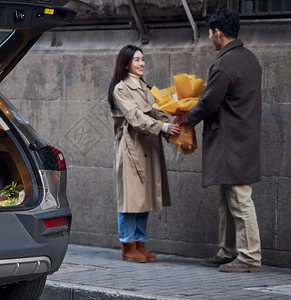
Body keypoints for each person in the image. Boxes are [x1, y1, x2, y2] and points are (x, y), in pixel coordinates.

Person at [176, 10, 262, 272]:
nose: (209, 39)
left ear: (218, 33)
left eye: (209, 34)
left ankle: (250, 257)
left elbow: (210, 101)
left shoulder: (225, 63)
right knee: (227, 199)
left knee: (239, 198)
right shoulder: (248, 58)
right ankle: (228, 251)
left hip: (231, 141)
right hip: (241, 138)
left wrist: (187, 118)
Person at [108, 45, 182, 263]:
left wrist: (173, 119)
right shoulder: (121, 89)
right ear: (126, 63)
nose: (141, 63)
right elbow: (135, 117)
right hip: (132, 148)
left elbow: (157, 110)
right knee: (131, 199)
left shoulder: (145, 87)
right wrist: (165, 128)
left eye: (143, 59)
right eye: (137, 60)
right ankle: (127, 246)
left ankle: (140, 244)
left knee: (145, 198)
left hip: (148, 147)